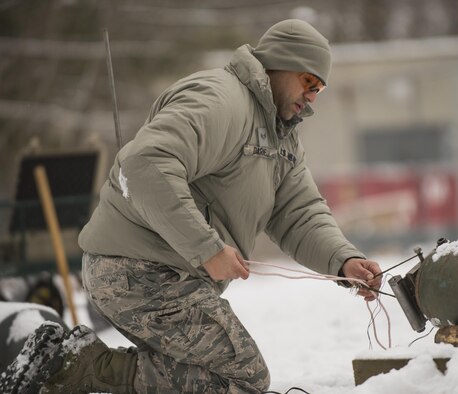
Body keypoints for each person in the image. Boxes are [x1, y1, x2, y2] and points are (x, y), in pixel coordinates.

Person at [0, 19, 382, 394]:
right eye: (309, 82)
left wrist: (343, 260)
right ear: (279, 64)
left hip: (169, 276)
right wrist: (208, 249)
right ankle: (75, 368)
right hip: (135, 271)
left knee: (216, 376)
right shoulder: (222, 100)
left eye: (320, 88)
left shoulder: (281, 139)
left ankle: (73, 365)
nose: (313, 96)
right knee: (244, 377)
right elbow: (145, 163)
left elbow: (301, 213)